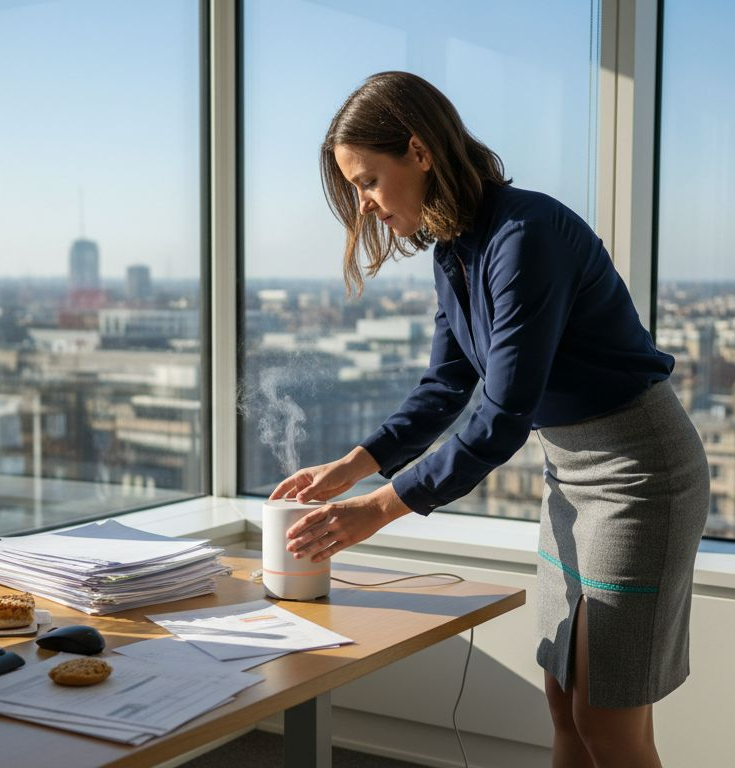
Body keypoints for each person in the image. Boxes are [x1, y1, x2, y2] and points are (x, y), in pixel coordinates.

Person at [269, 71, 709, 768]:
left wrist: (376, 510)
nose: (365, 205)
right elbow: (446, 385)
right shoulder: (454, 249)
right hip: (570, 478)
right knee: (564, 704)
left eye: (369, 181)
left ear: (419, 152)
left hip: (638, 474)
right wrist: (352, 467)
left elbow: (503, 414)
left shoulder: (526, 234)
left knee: (605, 718)